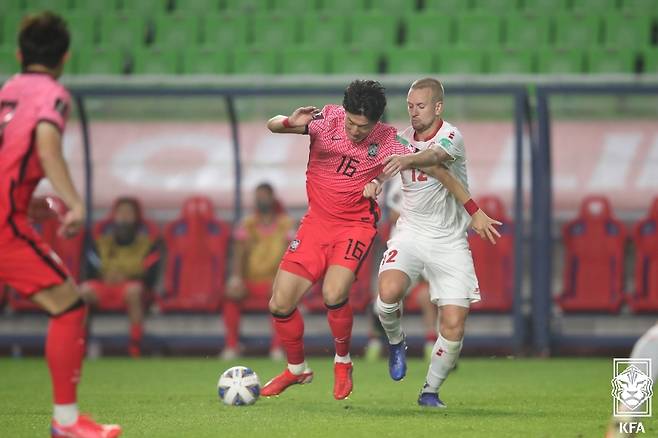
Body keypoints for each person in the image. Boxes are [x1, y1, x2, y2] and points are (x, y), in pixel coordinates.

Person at [0, 12, 121, 437]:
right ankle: (66, 424)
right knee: (69, 306)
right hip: (3, 225)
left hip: (10, 213)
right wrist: (74, 202)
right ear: (64, 57)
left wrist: (24, 199)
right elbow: (48, 147)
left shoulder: (7, 90)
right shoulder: (52, 94)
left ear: (19, 54)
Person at [260, 80, 412, 400]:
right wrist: (289, 122)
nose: (355, 131)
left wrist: (381, 178)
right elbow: (272, 125)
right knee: (280, 303)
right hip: (316, 223)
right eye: (351, 122)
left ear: (377, 121)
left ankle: (342, 362)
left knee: (334, 293)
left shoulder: (388, 140)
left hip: (355, 225)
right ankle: (296, 369)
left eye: (363, 126)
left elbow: (420, 160)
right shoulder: (325, 120)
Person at [364, 77, 501, 408]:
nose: (414, 113)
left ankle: (430, 390)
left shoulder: (451, 137)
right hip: (410, 232)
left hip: (450, 240)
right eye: (410, 107)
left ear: (438, 107)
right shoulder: (398, 139)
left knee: (454, 322)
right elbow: (380, 169)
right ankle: (396, 343)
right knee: (387, 294)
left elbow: (437, 163)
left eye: (421, 106)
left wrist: (475, 213)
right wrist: (373, 182)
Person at [80, 197, 160, 358]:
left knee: (134, 290)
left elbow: (151, 276)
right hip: (103, 287)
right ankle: (80, 346)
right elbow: (89, 271)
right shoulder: (100, 243)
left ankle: (135, 348)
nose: (124, 217)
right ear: (113, 216)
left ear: (136, 217)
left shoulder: (148, 244)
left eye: (128, 213)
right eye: (120, 212)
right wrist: (105, 277)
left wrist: (126, 276)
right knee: (83, 291)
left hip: (130, 290)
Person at [221, 182, 293, 360]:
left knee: (283, 295)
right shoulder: (248, 224)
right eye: (257, 196)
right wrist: (236, 279)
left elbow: (292, 254)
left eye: (264, 196)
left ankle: (277, 348)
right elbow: (239, 253)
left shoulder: (286, 223)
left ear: (272, 198)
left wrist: (280, 280)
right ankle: (232, 346)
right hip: (250, 281)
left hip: (274, 281)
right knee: (231, 294)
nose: (260, 200)